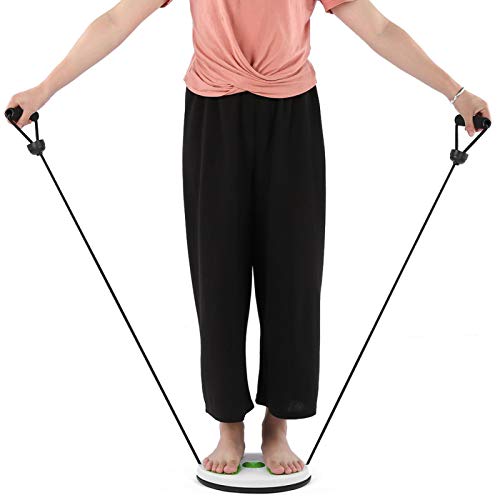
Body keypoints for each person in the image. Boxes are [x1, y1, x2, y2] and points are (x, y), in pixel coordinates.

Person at [6, 0, 491, 477]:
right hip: (213, 116)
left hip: (291, 116)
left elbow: (379, 29)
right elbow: (117, 19)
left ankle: (277, 424)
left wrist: (457, 93)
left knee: (294, 276)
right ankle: (229, 426)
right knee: (218, 275)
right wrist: (44, 89)